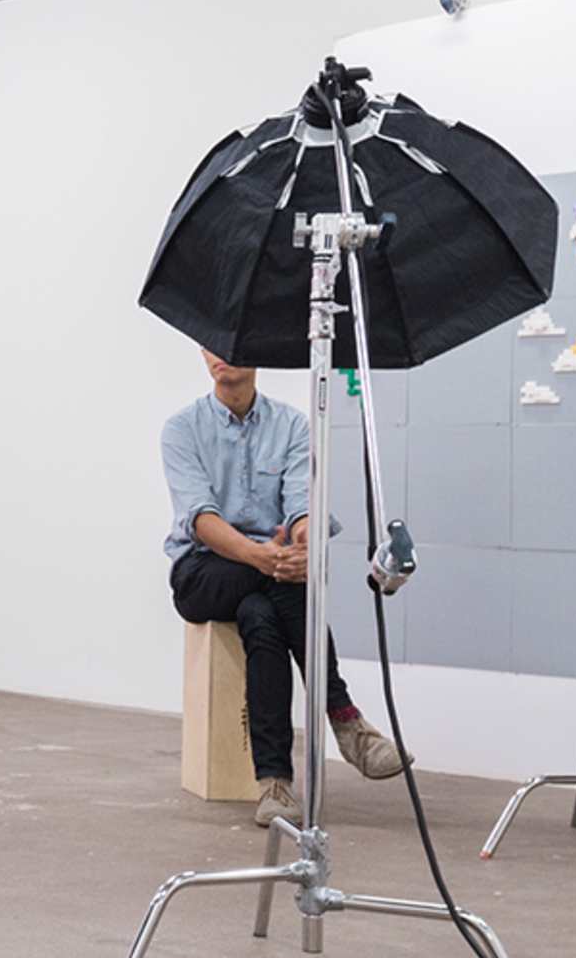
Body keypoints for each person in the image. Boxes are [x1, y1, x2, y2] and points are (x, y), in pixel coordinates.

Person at [160, 347, 405, 829]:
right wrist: (264, 557)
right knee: (281, 586)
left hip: (270, 575)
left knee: (262, 616)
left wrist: (302, 545)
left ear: (256, 352)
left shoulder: (292, 425)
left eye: (232, 346)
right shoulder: (182, 429)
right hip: (201, 573)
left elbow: (301, 508)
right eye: (210, 346)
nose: (221, 356)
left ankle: (274, 783)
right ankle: (345, 717)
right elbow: (201, 518)